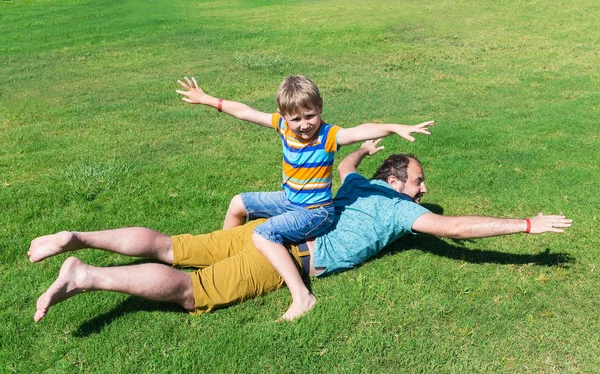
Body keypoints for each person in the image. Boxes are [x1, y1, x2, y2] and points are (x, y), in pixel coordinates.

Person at [29, 140, 572, 323]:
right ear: (397, 181)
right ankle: (86, 274)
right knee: (195, 291)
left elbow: (344, 167)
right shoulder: (396, 210)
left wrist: (360, 151)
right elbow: (454, 228)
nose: (423, 191)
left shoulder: (360, 184)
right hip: (290, 252)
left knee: (174, 246)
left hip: (273, 226)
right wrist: (524, 224)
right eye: (419, 182)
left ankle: (79, 236)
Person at [176, 75, 433, 320]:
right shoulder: (283, 126)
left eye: (310, 116)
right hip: (290, 200)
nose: (304, 124)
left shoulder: (329, 136)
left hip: (316, 212)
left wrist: (394, 127)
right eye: (296, 119)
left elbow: (359, 130)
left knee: (264, 234)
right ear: (283, 115)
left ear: (320, 108)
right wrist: (208, 99)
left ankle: (302, 296)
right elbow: (245, 112)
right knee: (238, 203)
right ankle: (225, 257)